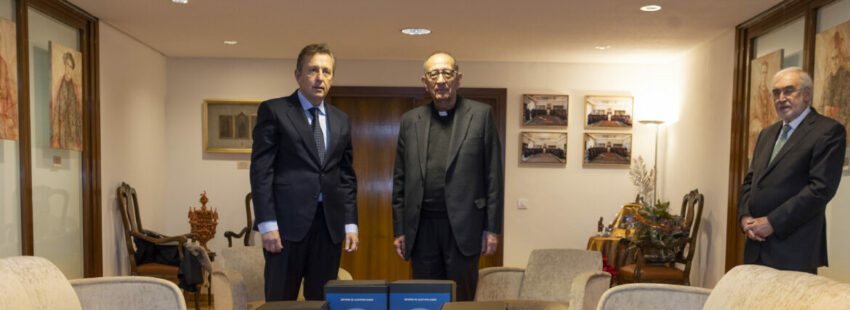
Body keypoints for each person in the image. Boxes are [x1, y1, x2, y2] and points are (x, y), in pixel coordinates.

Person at [250, 43, 359, 301]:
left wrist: (350, 223)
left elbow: (346, 176)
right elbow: (261, 171)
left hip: (329, 227)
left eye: (326, 71)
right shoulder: (274, 111)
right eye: (313, 70)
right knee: (281, 301)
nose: (320, 77)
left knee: (322, 301)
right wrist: (267, 225)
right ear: (297, 74)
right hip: (285, 228)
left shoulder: (341, 119)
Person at [391, 52, 503, 301]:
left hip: (464, 228)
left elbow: (493, 176)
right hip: (421, 230)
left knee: (461, 298)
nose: (440, 80)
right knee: (424, 298)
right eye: (434, 74)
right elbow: (399, 180)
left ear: (458, 78)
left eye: (446, 73)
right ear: (425, 81)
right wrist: (399, 229)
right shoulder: (410, 121)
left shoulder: (481, 115)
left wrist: (492, 228)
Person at [738, 66, 846, 274]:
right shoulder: (766, 134)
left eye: (789, 90)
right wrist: (745, 218)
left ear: (806, 95)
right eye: (776, 93)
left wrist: (772, 223)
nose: (781, 98)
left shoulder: (828, 131)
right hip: (755, 246)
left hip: (794, 249)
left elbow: (820, 189)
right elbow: (750, 181)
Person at [51, 52, 82, 151]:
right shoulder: (59, 85)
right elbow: (56, 110)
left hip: (73, 131)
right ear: (64, 66)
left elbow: (78, 113)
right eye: (67, 65)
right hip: (62, 131)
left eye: (70, 66)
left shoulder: (75, 88)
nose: (68, 69)